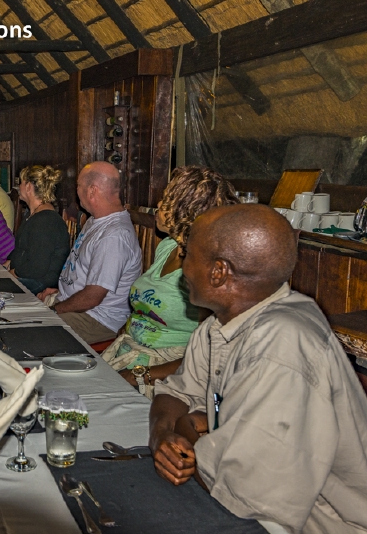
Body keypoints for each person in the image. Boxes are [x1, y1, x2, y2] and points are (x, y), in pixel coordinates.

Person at [149, 204, 367, 533]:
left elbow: (241, 495)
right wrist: (163, 436)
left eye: (187, 254)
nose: (183, 267)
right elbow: (176, 393)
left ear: (218, 272)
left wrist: (187, 431)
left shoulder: (282, 345)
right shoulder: (221, 325)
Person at [102, 167, 238, 397]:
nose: (158, 205)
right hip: (131, 353)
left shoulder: (206, 272)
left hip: (165, 372)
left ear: (187, 211)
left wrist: (138, 375)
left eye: (167, 201)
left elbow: (207, 356)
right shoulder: (167, 247)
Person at [38, 162, 141, 345]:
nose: (76, 191)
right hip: (79, 308)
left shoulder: (114, 236)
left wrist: (56, 308)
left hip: (97, 319)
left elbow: (92, 297)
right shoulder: (96, 220)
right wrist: (62, 292)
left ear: (92, 190)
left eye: (78, 185)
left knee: (31, 332)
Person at [7, 165, 70, 294]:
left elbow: (37, 267)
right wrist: (8, 264)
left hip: (40, 283)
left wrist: (13, 272)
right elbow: (23, 250)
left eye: (20, 183)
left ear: (28, 187)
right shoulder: (34, 214)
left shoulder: (45, 221)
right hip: (29, 276)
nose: (18, 187)